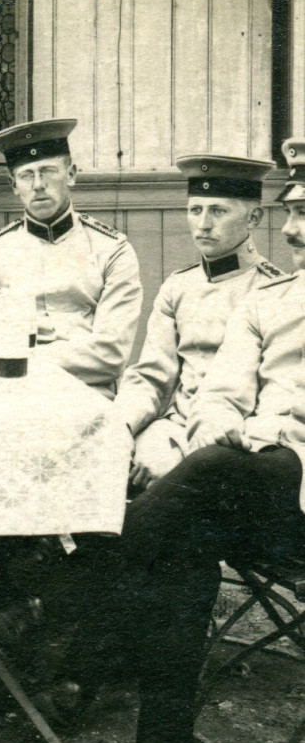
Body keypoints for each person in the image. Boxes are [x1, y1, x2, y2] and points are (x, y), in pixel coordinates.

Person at [0, 140, 305, 743]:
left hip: (283, 484)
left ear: (246, 220)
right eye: (295, 212)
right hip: (240, 480)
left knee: (196, 485)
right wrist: (172, 428)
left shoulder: (264, 284)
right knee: (180, 542)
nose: (293, 228)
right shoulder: (272, 301)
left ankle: (65, 599)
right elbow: (216, 390)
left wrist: (266, 432)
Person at [115, 155, 282, 491]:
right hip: (172, 427)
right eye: (195, 210)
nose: (203, 223)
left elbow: (266, 398)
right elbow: (151, 376)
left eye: (218, 211)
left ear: (254, 217)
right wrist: (120, 427)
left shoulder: (275, 290)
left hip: (232, 437)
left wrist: (182, 454)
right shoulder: (178, 287)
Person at [0, 118, 142, 399]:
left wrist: (20, 360)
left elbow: (110, 354)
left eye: (48, 171)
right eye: (27, 175)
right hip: (7, 393)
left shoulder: (112, 251)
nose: (39, 185)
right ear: (13, 184)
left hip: (86, 392)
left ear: (71, 174)